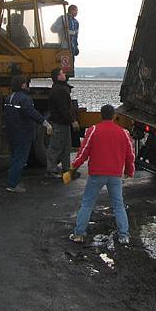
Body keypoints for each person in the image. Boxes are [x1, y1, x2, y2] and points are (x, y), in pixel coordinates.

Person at [68, 104, 135, 245]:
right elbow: (130, 154)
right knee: (118, 205)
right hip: (115, 175)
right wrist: (129, 170)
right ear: (114, 116)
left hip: (96, 174)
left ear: (100, 115)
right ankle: (124, 235)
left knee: (87, 204)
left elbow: (84, 151)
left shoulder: (93, 130)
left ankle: (79, 234)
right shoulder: (123, 132)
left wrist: (74, 166)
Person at [5, 74, 52, 193]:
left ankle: (12, 181)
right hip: (23, 133)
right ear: (22, 85)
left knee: (14, 158)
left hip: (11, 132)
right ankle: (12, 184)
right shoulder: (25, 99)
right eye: (25, 83)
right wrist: (45, 123)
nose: (27, 85)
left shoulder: (10, 97)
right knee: (20, 159)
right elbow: (32, 113)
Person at [46, 67, 80, 178]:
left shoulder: (60, 88)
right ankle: (52, 170)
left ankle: (66, 170)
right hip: (60, 123)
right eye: (62, 73)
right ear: (58, 76)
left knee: (66, 147)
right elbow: (63, 108)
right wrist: (72, 120)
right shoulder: (58, 90)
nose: (64, 74)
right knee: (56, 147)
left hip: (63, 123)